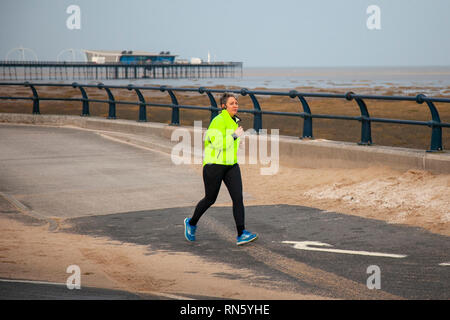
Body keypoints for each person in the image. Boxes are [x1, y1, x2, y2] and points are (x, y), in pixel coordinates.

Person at [184, 93, 258, 246]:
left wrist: (238, 141)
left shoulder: (234, 122)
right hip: (214, 165)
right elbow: (217, 143)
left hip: (231, 165)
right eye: (232, 103)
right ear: (223, 106)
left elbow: (230, 141)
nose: (235, 105)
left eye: (236, 103)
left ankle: (241, 233)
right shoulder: (217, 121)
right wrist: (234, 136)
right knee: (210, 199)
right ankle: (191, 223)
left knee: (238, 198)